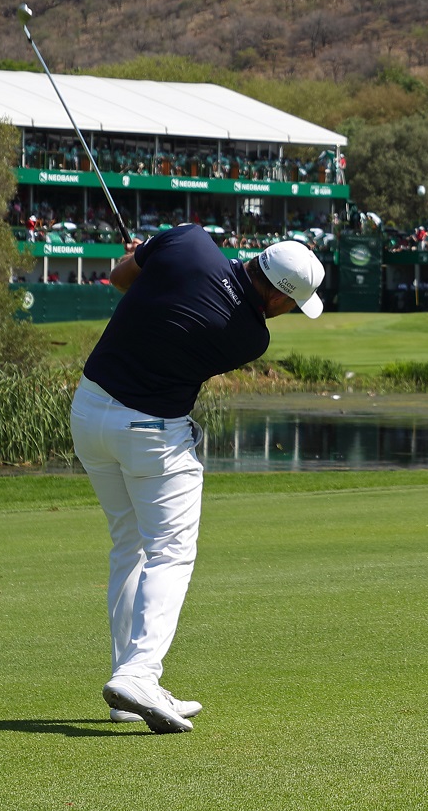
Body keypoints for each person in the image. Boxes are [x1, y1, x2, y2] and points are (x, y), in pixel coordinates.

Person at [74, 228, 325, 734]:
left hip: (88, 412)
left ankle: (127, 688)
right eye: (291, 304)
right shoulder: (251, 337)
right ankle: (140, 673)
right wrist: (158, 265)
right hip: (150, 434)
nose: (287, 311)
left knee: (129, 546)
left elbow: (121, 277)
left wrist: (150, 255)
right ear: (276, 295)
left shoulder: (189, 242)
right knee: (170, 552)